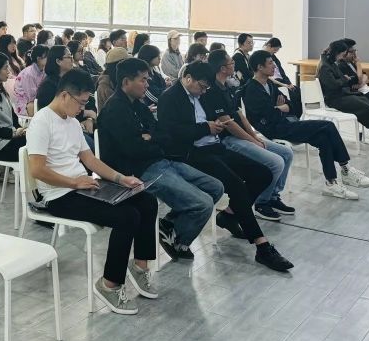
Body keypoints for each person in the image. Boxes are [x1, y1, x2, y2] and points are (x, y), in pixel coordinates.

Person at [27, 68, 159, 315]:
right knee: (127, 216)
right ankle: (110, 284)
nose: (83, 109)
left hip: (82, 186)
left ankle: (140, 267)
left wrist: (121, 178)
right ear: (65, 95)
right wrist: (74, 183)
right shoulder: (42, 122)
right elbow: (37, 170)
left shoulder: (71, 123)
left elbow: (90, 159)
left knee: (147, 201)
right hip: (59, 195)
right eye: (81, 102)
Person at [155, 61, 294, 272]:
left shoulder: (204, 94)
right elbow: (171, 134)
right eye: (201, 86)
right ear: (188, 78)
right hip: (192, 154)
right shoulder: (170, 98)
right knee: (236, 185)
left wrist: (217, 126)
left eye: (206, 87)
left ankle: (229, 214)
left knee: (263, 174)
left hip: (215, 146)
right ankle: (262, 245)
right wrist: (205, 128)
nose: (203, 91)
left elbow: (220, 116)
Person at [97, 58, 224, 262]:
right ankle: (179, 242)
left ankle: (168, 226)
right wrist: (151, 140)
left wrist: (150, 138)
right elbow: (133, 150)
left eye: (147, 79)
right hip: (139, 171)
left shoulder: (138, 105)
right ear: (126, 82)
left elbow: (162, 134)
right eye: (143, 80)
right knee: (203, 204)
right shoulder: (114, 110)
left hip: (161, 160)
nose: (147, 85)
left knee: (215, 188)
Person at [243, 50, 369, 201]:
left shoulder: (270, 84)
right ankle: (345, 168)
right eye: (270, 63)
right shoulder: (251, 89)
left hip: (286, 123)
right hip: (274, 130)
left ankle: (331, 183)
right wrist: (279, 108)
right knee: (328, 126)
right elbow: (267, 116)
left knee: (324, 138)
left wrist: (279, 108)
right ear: (259, 67)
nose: (274, 66)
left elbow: (291, 106)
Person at [201, 50, 295, 222]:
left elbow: (240, 115)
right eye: (231, 63)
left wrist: (255, 138)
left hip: (243, 136)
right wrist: (253, 141)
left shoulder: (227, 87)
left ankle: (273, 197)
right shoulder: (212, 91)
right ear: (222, 68)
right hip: (229, 139)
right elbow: (228, 123)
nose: (234, 65)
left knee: (287, 153)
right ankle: (261, 203)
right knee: (276, 162)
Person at [36, 45, 96, 146]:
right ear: (58, 61)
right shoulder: (48, 86)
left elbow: (89, 99)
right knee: (90, 144)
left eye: (72, 56)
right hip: (62, 128)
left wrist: (89, 119)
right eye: (69, 57)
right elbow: (56, 112)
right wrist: (85, 114)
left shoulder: (73, 78)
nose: (72, 60)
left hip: (77, 123)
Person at [12, 44, 48, 116]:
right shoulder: (28, 74)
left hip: (35, 102)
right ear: (38, 58)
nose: (49, 59)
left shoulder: (43, 71)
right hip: (25, 105)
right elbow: (31, 97)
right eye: (47, 56)